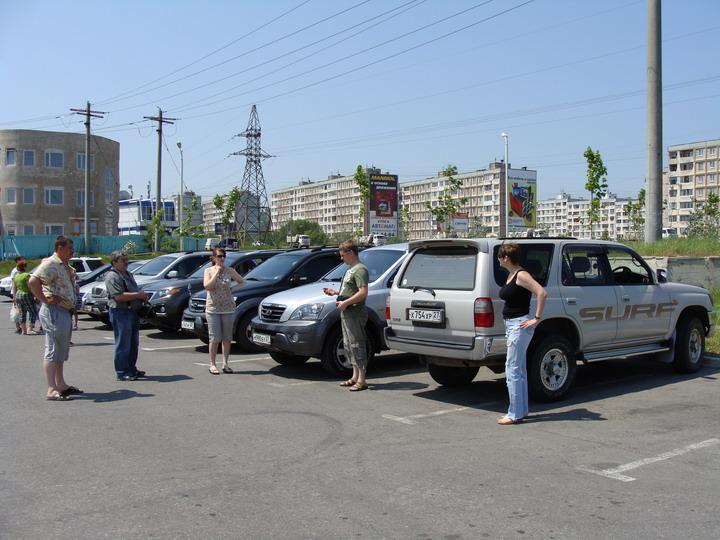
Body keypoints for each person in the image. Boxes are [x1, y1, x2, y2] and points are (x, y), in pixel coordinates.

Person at [496, 243, 547, 425]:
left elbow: (541, 292)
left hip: (519, 325)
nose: (498, 260)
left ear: (506, 258)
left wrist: (536, 318)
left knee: (512, 370)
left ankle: (514, 414)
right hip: (512, 325)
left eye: (499, 256)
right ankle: (521, 410)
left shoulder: (521, 275)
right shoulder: (511, 274)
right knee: (519, 369)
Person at [28, 236, 83, 401]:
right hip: (54, 311)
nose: (72, 252)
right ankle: (51, 389)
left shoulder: (65, 265)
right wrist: (45, 300)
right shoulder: (51, 263)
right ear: (60, 248)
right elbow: (32, 281)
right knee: (53, 350)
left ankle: (61, 384)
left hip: (64, 311)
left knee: (61, 350)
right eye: (69, 249)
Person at [323, 240, 370, 392]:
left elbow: (362, 293)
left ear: (351, 253)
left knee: (357, 344)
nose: (341, 258)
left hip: (355, 313)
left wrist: (345, 303)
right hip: (347, 313)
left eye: (343, 255)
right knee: (349, 345)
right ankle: (355, 377)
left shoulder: (360, 269)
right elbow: (351, 290)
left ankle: (362, 380)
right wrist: (336, 294)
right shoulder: (350, 269)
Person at [105, 251, 149, 381]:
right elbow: (118, 296)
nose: (126, 262)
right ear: (114, 262)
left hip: (132, 312)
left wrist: (142, 298)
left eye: (127, 259)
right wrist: (138, 295)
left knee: (133, 343)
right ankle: (122, 371)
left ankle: (131, 368)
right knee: (123, 344)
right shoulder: (112, 277)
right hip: (121, 313)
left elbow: (132, 290)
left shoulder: (128, 274)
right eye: (123, 260)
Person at [203, 247, 245, 375]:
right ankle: (212, 364)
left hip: (228, 308)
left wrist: (232, 289)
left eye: (223, 256)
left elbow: (242, 282)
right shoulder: (208, 271)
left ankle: (225, 364)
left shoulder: (230, 270)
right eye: (219, 256)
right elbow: (207, 286)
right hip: (213, 308)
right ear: (214, 258)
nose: (222, 258)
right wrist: (216, 273)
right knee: (215, 338)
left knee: (227, 337)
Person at [12, 260, 37, 335]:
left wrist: (14, 297)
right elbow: (30, 286)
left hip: (18, 294)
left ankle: (23, 330)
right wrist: (35, 295)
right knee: (33, 311)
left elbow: (14, 287)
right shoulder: (27, 275)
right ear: (24, 267)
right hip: (26, 294)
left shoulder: (16, 276)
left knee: (22, 313)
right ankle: (30, 328)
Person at [10, 256, 25, 334]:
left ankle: (21, 327)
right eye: (21, 260)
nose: (23, 261)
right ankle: (18, 327)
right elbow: (13, 282)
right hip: (16, 292)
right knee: (16, 310)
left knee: (20, 310)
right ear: (17, 261)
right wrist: (14, 296)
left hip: (20, 292)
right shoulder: (15, 271)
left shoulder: (20, 269)